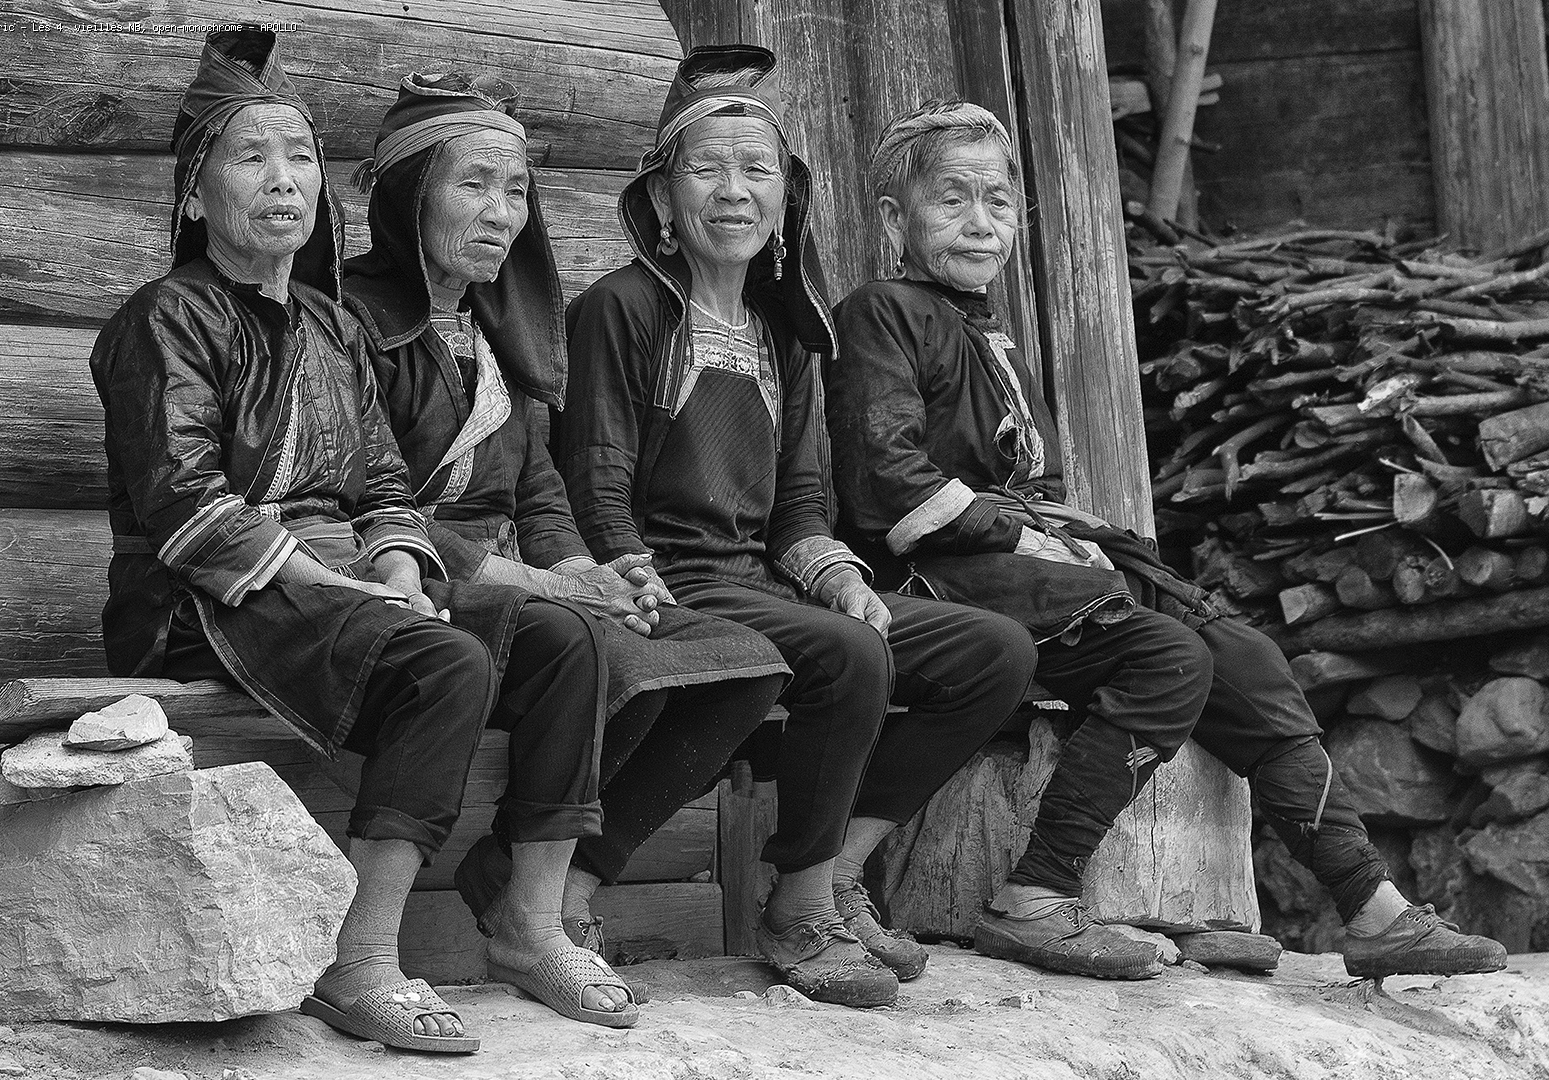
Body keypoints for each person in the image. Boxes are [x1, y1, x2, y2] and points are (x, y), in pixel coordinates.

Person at [824, 98, 1510, 982]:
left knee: (1248, 657)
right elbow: (889, 483)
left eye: (996, 201)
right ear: (894, 219)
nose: (980, 223)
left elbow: (1030, 483)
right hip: (934, 575)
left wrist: (1061, 535)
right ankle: (1036, 896)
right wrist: (1023, 535)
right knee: (1169, 657)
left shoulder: (986, 330)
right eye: (951, 200)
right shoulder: (880, 312)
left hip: (1017, 564)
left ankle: (1374, 908)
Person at [89, 28, 633, 1051]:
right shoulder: (164, 318)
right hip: (205, 599)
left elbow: (382, 483)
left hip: (328, 584)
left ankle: (531, 922)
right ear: (195, 196)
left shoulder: (331, 326)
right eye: (250, 158)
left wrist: (396, 564)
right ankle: (362, 957)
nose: (283, 180)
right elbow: (188, 509)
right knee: (444, 662)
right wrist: (352, 589)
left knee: (568, 640)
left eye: (299, 157)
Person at [557, 46, 1039, 1007]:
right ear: (661, 200)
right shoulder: (622, 308)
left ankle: (839, 873)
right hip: (665, 579)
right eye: (707, 169)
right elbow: (596, 483)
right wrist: (626, 574)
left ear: (788, 199)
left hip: (760, 580)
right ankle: (797, 907)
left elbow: (800, 506)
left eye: (758, 170)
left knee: (992, 653)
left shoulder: (788, 330)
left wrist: (842, 579)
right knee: (845, 656)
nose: (734, 191)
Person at [341, 72, 790, 971]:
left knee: (739, 662)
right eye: (473, 185)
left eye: (515, 191)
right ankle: (528, 916)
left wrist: (591, 571)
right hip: (404, 575)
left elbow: (541, 491)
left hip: (516, 582)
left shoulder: (499, 333)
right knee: (579, 640)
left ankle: (526, 884)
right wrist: (554, 587)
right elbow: (363, 499)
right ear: (407, 196)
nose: (500, 213)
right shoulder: (345, 321)